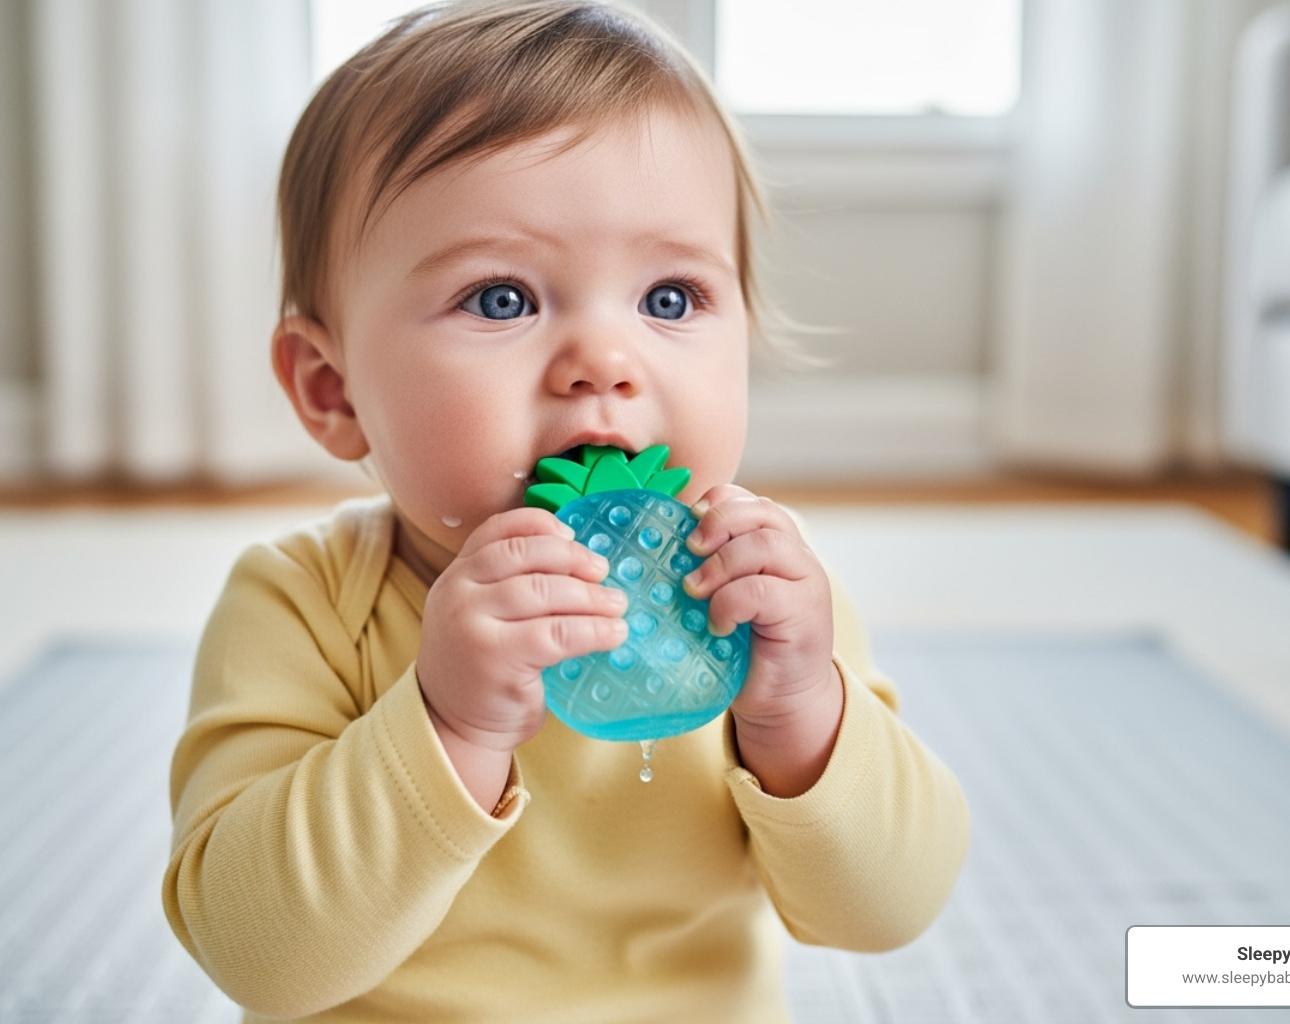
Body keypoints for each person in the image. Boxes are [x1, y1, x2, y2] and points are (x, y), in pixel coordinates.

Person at [162, 2, 968, 1021]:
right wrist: (449, 724)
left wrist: (802, 715)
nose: (605, 363)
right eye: (502, 299)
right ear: (333, 390)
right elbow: (256, 955)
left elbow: (890, 909)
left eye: (669, 299)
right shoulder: (302, 606)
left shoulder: (758, 605)